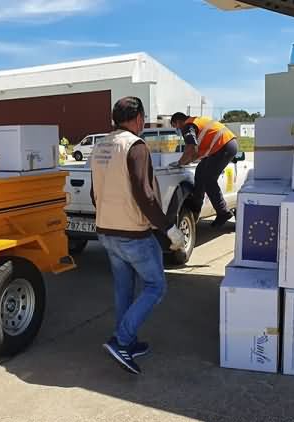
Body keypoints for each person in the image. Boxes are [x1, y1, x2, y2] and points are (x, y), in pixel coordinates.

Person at [91, 96, 185, 375]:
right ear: (139, 118)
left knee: (124, 288)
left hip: (106, 231)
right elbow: (145, 195)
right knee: (156, 286)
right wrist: (168, 228)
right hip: (132, 233)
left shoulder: (101, 145)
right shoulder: (135, 146)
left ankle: (127, 342)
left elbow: (96, 192)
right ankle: (121, 341)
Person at [171, 112, 239, 228]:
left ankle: (223, 212)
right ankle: (196, 206)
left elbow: (191, 147)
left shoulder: (188, 126)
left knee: (209, 180)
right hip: (224, 145)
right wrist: (187, 161)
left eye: (175, 126)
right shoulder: (196, 123)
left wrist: (179, 163)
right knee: (200, 171)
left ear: (178, 122)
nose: (177, 130)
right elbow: (195, 153)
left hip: (223, 146)